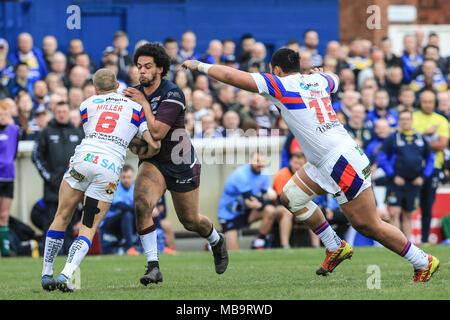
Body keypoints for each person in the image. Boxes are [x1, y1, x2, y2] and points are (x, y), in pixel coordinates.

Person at [183, 47, 440, 283]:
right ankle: (335, 246)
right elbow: (335, 79)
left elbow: (232, 76)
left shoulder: (280, 84)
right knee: (291, 197)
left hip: (340, 161)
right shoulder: (319, 80)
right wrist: (322, 73)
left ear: (277, 70)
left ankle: (422, 261)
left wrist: (199, 66)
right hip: (326, 160)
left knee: (368, 224)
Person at [39, 68, 160, 292]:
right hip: (109, 167)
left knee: (61, 216)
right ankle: (66, 275)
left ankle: (47, 274)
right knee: (88, 226)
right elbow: (152, 143)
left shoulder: (87, 103)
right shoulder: (135, 108)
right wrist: (137, 146)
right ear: (117, 86)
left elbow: (92, 131)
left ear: (95, 89)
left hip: (83, 159)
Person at [122, 43, 228, 286]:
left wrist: (144, 104)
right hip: (153, 161)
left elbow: (157, 132)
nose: (142, 72)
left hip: (180, 161)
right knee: (141, 203)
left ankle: (215, 240)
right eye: (139, 67)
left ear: (160, 68)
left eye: (147, 67)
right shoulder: (133, 94)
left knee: (190, 221)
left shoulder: (173, 94)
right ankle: (153, 267)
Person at [377, 110, 434, 239]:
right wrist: (392, 175)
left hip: (413, 182)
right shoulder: (392, 138)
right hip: (395, 182)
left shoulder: (420, 139)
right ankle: (396, 243)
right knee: (394, 212)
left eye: (407, 119)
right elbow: (382, 158)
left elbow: (430, 158)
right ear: (399, 121)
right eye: (402, 119)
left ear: (412, 120)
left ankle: (408, 244)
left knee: (408, 214)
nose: (405, 121)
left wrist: (423, 176)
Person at [217, 152, 279, 250]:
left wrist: (263, 201)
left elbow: (261, 197)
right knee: (233, 252)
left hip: (246, 212)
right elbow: (251, 201)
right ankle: (212, 245)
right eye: (257, 161)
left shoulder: (264, 173)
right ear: (249, 161)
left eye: (262, 161)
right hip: (230, 215)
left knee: (270, 210)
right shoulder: (241, 174)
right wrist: (264, 201)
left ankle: (259, 242)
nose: (260, 164)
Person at [412, 89, 449, 245]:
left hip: (433, 166)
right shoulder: (413, 118)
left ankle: (425, 240)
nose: (427, 104)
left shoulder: (441, 120)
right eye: (425, 101)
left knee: (427, 205)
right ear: (420, 102)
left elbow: (442, 144)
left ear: (434, 103)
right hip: (412, 167)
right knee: (407, 205)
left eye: (430, 102)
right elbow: (407, 141)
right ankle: (406, 239)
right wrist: (426, 135)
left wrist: (419, 139)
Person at [100, 164, 139, 255]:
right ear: (120, 177)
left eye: (128, 177)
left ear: (133, 177)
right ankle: (130, 248)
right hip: (110, 222)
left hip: (128, 221)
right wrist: (141, 210)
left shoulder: (136, 188)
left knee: (150, 215)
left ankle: (158, 246)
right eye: (123, 177)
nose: (126, 180)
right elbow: (121, 206)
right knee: (127, 213)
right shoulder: (111, 186)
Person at [0, 100, 19, 257]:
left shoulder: (13, 129)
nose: (2, 116)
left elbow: (14, 152)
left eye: (5, 113)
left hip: (8, 177)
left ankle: (5, 250)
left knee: (4, 215)